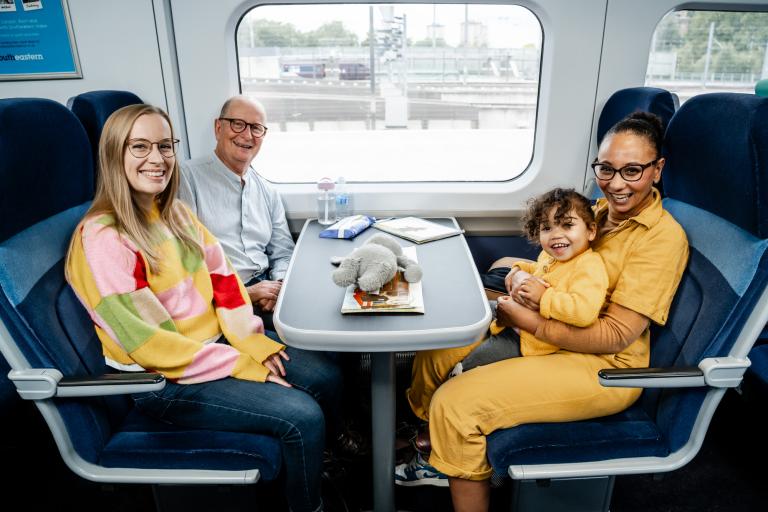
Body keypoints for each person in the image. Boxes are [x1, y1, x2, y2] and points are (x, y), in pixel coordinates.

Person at [396, 112, 689, 512]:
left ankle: (451, 454)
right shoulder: (598, 213)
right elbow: (554, 268)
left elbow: (614, 335)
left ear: (657, 170)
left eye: (633, 171)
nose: (617, 183)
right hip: (552, 335)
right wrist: (516, 273)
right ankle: (435, 447)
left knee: (457, 403)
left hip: (603, 365)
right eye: (606, 168)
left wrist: (529, 320)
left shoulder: (661, 239)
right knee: (440, 350)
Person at [65, 104, 340, 512]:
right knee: (303, 415)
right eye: (139, 147)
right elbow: (149, 344)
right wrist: (241, 365)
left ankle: (315, 464)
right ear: (113, 155)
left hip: (211, 348)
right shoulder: (104, 238)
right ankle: (308, 504)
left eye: (164, 145)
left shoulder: (173, 213)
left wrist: (252, 343)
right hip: (166, 379)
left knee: (328, 376)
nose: (157, 159)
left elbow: (224, 282)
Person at [450, 187, 608, 377]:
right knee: (476, 310)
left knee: (479, 359)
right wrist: (518, 269)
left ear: (591, 231)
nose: (556, 234)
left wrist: (544, 297)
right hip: (517, 315)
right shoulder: (551, 256)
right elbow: (536, 269)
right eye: (547, 228)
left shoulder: (590, 266)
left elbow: (584, 312)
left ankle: (460, 373)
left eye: (567, 225)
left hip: (530, 339)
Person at [178, 95, 292, 331]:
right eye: (237, 124)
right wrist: (246, 293)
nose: (247, 135)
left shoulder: (267, 190)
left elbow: (282, 251)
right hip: (220, 303)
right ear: (218, 128)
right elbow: (183, 266)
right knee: (323, 370)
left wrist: (278, 286)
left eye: (256, 128)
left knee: (335, 340)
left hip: (266, 290)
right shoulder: (186, 178)